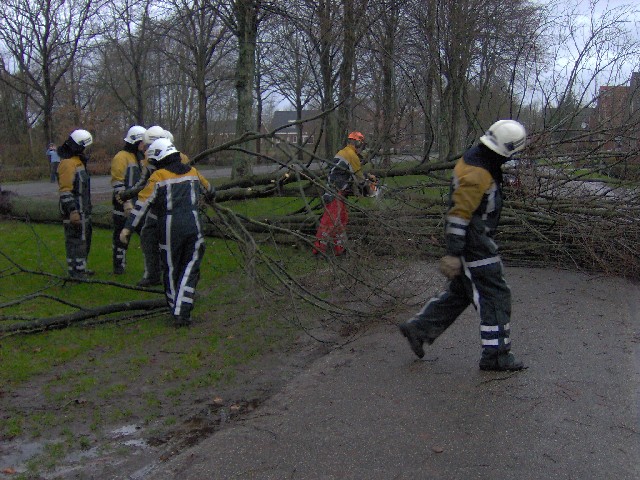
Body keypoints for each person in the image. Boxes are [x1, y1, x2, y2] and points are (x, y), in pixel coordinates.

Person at [398, 119, 528, 372]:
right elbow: (459, 214)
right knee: (495, 295)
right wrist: (454, 253)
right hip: (475, 244)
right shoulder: (477, 172)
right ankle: (497, 355)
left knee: (460, 293)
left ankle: (419, 328)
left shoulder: (480, 160)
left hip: (475, 239)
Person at [119, 138, 214, 327]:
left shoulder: (158, 177)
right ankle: (182, 310)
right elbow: (210, 189)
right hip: (193, 223)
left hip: (169, 227)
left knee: (171, 268)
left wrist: (127, 228)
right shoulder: (193, 172)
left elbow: (141, 205)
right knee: (191, 267)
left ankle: (175, 309)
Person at [313, 131, 376, 256]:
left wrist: (367, 176)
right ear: (358, 143)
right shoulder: (352, 155)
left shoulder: (344, 152)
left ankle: (340, 249)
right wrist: (372, 191)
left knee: (341, 220)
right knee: (329, 223)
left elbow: (351, 173)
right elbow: (359, 180)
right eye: (361, 145)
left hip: (337, 192)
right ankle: (319, 250)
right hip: (335, 193)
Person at [57, 129, 94, 279]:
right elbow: (65, 190)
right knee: (75, 241)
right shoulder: (67, 164)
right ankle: (75, 272)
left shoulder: (78, 162)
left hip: (83, 210)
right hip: (74, 211)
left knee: (84, 240)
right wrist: (72, 210)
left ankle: (81, 268)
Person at [110, 125, 147, 275]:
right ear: (135, 141)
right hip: (122, 205)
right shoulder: (121, 157)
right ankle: (119, 266)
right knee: (120, 236)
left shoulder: (141, 158)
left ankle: (151, 267)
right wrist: (126, 203)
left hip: (139, 205)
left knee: (146, 236)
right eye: (142, 142)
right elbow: (118, 182)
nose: (145, 146)